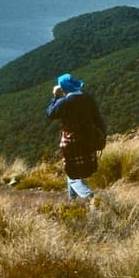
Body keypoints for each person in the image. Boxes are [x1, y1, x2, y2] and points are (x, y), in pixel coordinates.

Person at [46, 73, 106, 204]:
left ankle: (89, 196)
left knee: (72, 174)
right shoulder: (88, 98)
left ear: (63, 88)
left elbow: (50, 113)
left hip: (72, 143)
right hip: (89, 140)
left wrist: (55, 96)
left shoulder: (64, 102)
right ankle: (72, 203)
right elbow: (98, 119)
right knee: (74, 171)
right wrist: (102, 137)